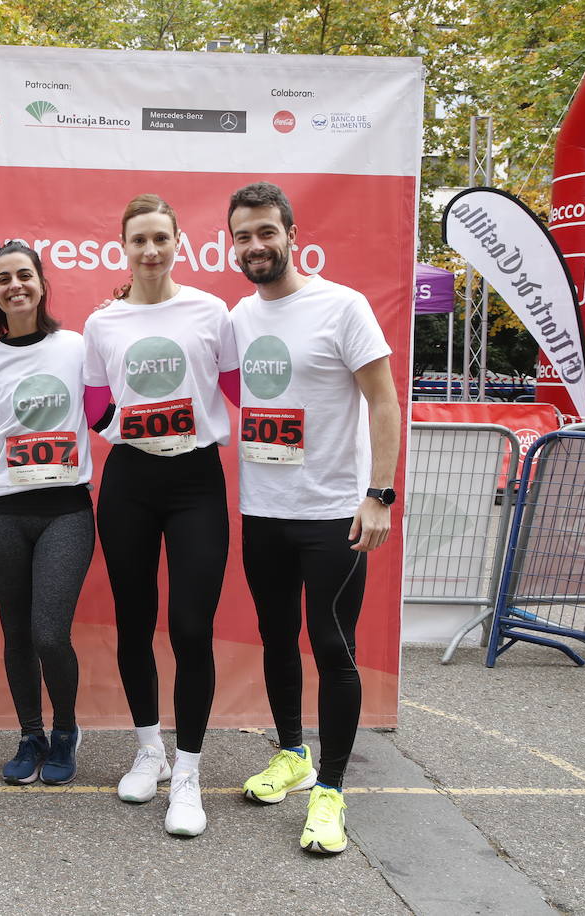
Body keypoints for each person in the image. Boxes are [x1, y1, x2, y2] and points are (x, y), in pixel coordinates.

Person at [227, 181, 400, 855]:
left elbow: (383, 402)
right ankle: (293, 754)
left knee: (332, 647)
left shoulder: (342, 306)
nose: (256, 245)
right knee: (275, 640)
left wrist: (379, 494)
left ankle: (330, 789)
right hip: (263, 511)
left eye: (266, 232)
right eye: (243, 235)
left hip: (333, 514)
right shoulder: (239, 318)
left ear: (292, 235)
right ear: (232, 245)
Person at [82, 195, 238, 837]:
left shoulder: (211, 311)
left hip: (196, 478)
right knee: (134, 621)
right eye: (138, 240)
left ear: (179, 243)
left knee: (192, 627)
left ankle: (191, 773)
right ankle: (150, 750)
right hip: (130, 481)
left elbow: (236, 391)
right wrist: (132, 424)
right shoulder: (103, 324)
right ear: (123, 247)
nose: (150, 250)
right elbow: (94, 407)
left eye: (160, 239)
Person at [0, 242, 94, 786]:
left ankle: (65, 730)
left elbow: (110, 393)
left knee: (49, 634)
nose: (15, 286)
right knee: (16, 633)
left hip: (65, 512)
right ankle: (30, 733)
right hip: (0, 517)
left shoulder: (78, 348)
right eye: (4, 278)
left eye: (25, 276)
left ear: (41, 284)